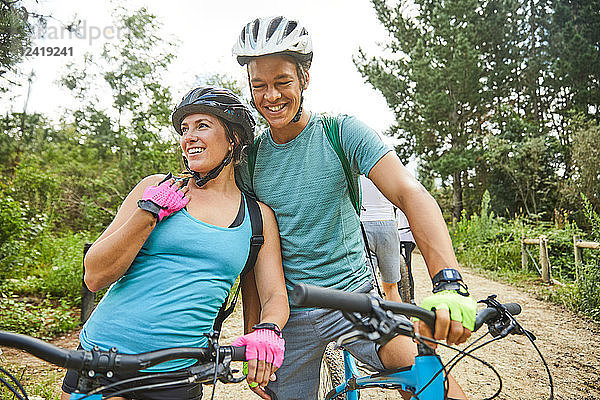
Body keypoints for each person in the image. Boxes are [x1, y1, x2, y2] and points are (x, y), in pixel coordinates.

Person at [232, 16, 477, 400]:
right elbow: (253, 250)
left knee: (429, 380)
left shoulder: (340, 132)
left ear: (304, 79)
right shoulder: (251, 159)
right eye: (259, 85)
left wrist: (448, 281)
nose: (271, 96)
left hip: (351, 298)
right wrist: (255, 332)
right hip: (287, 313)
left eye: (282, 82)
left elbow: (410, 194)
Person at [60, 87, 289, 400]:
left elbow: (275, 293)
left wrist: (268, 330)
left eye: (202, 126)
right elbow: (94, 275)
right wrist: (147, 215)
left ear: (233, 139)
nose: (189, 136)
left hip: (177, 372)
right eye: (185, 129)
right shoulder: (156, 188)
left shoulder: (257, 217)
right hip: (102, 355)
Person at [359, 174, 403, 303]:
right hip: (388, 224)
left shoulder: (354, 166)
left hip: (363, 225)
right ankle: (398, 320)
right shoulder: (385, 166)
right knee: (391, 287)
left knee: (366, 285)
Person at [396, 207, 417, 303]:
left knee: (406, 268)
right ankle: (403, 296)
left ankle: (410, 299)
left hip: (404, 237)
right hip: (405, 237)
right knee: (402, 267)